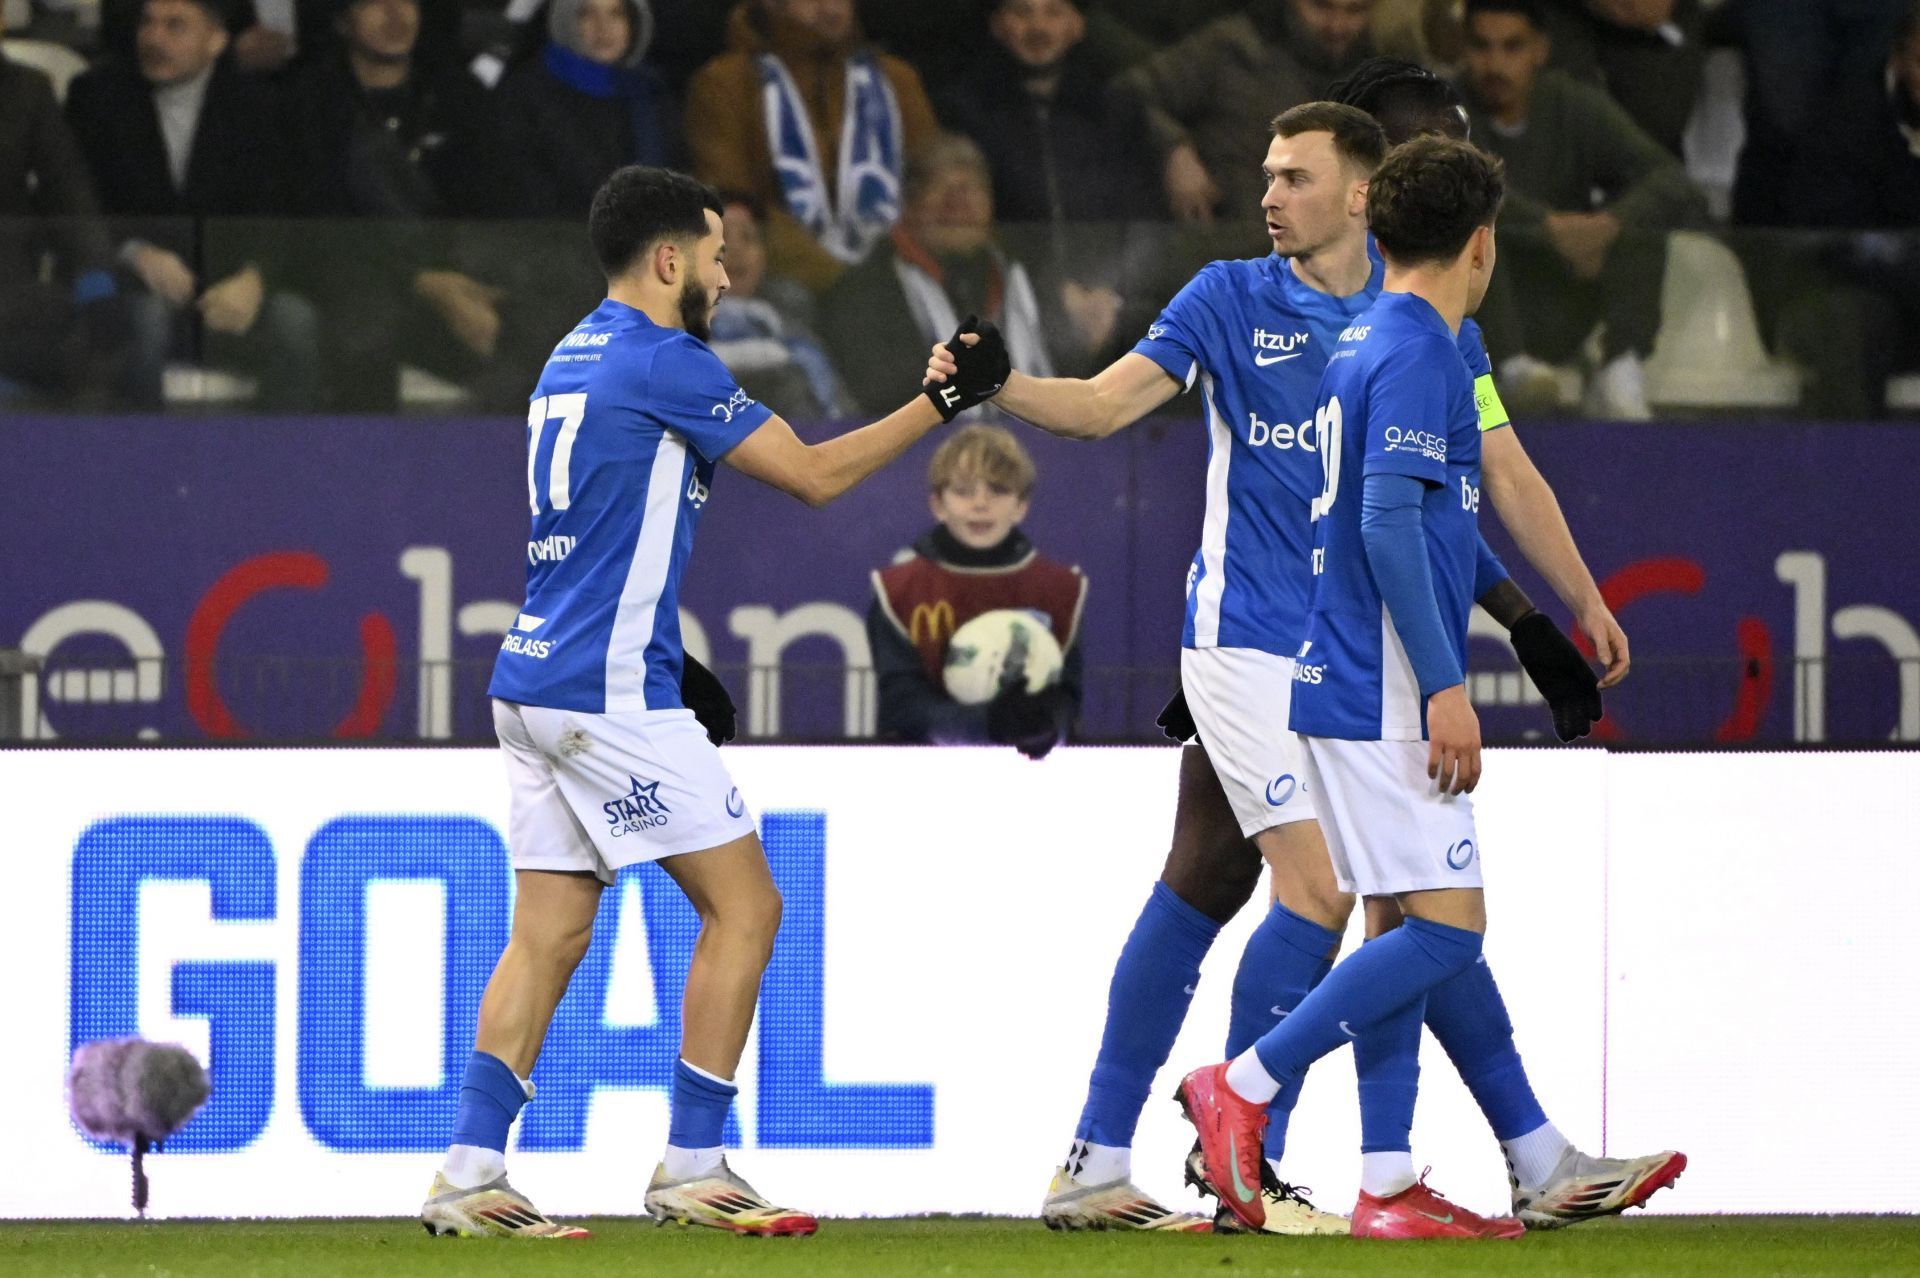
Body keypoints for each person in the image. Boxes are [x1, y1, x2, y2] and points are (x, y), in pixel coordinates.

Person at [928, 84, 1672, 1237]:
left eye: (1292, 176)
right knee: (1333, 893)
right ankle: (1256, 1151)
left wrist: (1556, 605)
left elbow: (1493, 473)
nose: (1265, 195)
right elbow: (1095, 405)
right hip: (1247, 645)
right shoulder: (1229, 298)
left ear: (1364, 194)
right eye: (1266, 175)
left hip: (1347, 653)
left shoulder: (1423, 324)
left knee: (1318, 890)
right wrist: (1001, 386)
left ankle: (1403, 1161)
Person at [419, 164, 997, 1239]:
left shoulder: (571, 350)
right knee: (748, 907)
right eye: (720, 255)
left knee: (548, 932)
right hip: (605, 688)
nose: (730, 278)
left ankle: (468, 1170)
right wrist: (940, 403)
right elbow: (817, 477)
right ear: (670, 258)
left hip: (533, 678)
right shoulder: (664, 359)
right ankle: (693, 1162)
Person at [1457, 0, 1706, 420]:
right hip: (1477, 313)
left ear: (1541, 49)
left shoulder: (1572, 103)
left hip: (1563, 291)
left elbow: (1672, 181)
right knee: (1467, 222)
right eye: (1482, 47)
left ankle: (1620, 367)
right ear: (1464, 50)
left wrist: (1608, 226)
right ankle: (1509, 369)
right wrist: (1549, 229)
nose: (1495, 63)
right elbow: (1457, 184)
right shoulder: (1445, 108)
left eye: (1512, 47)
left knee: (1637, 216)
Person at [65, 0, 321, 408]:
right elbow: (76, 204)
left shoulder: (260, 106)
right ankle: (143, 461)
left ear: (216, 41)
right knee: (144, 322)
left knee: (295, 322)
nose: (154, 38)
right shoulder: (97, 96)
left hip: (228, 288)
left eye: (175, 26)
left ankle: (272, 459)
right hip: (134, 283)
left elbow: (283, 209)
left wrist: (255, 277)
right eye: (147, 23)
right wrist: (134, 252)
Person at [280, 0, 518, 409]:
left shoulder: (459, 96)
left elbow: (494, 203)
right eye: (375, 2)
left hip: (458, 277)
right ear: (342, 19)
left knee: (538, 332)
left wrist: (464, 281)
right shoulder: (309, 103)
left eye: (407, 1)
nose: (396, 14)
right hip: (356, 283)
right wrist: (422, 280)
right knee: (365, 323)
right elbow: (314, 229)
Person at [685, 0, 940, 292]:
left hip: (902, 278)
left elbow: (933, 185)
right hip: (780, 284)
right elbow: (734, 203)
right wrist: (841, 278)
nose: (831, 7)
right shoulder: (726, 82)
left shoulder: (897, 80)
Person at [867, 424, 1085, 757]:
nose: (980, 504)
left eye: (997, 490)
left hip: (1032, 772)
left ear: (1021, 505)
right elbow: (903, 706)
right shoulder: (897, 592)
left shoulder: (1062, 590)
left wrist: (1046, 725)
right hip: (922, 771)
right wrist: (986, 726)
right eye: (964, 491)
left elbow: (1067, 698)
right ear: (938, 504)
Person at [821, 134, 1062, 415]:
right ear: (907, 206)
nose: (959, 204)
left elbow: (1067, 371)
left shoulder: (1021, 278)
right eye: (940, 188)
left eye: (971, 188)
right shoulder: (862, 293)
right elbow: (880, 396)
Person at [1110, 0, 1378, 225]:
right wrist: (1175, 152)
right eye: (1321, 6)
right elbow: (1133, 93)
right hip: (1226, 239)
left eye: (1356, 11)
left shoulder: (1377, 77)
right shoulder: (1234, 48)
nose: (1337, 25)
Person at [0, 5, 119, 403]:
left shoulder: (25, 89)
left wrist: (95, 274)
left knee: (74, 329)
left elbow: (68, 190)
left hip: (7, 296)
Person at [497, 0, 680, 218]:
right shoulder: (529, 94)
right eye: (586, 14)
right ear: (566, 21)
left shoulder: (650, 92)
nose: (603, 27)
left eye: (617, 14)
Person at [708, 189, 849, 415]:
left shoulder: (793, 326)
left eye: (748, 237)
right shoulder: (673, 332)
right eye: (720, 240)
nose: (736, 251)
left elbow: (846, 412)